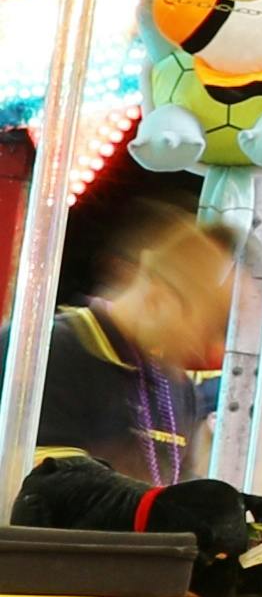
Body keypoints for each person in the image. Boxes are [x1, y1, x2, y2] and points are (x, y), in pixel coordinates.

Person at [24, 189, 228, 502]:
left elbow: (173, 487)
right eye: (204, 321)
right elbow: (47, 491)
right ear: (157, 296)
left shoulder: (178, 386)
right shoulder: (49, 352)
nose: (206, 343)